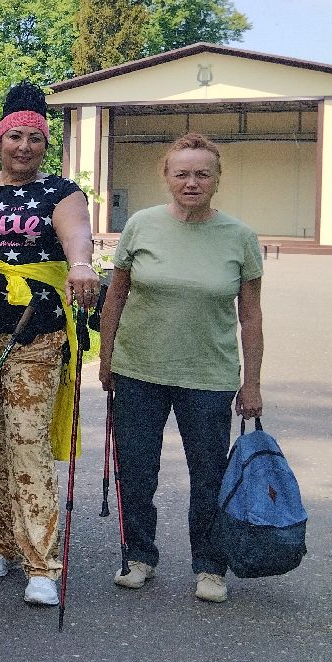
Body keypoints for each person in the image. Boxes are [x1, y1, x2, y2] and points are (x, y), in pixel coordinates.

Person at [0, 82, 99, 609]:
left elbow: (77, 234)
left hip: (35, 332)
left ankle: (43, 562)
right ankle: (3, 542)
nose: (25, 147)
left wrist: (80, 263)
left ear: (45, 144)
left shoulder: (60, 192)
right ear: (2, 140)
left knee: (26, 441)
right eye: (16, 137)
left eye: (35, 139)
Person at [98, 132, 264, 605]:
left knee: (209, 476)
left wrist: (251, 383)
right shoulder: (141, 226)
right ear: (167, 177)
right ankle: (138, 556)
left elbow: (250, 316)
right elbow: (116, 296)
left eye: (202, 174)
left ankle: (211, 565)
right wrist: (107, 359)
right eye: (182, 173)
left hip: (208, 377)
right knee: (135, 469)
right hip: (139, 369)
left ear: (217, 179)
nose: (192, 182)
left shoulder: (239, 236)